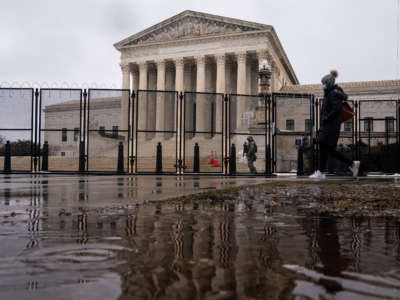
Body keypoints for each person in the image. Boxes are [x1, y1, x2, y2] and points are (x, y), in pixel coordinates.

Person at [310, 70, 360, 179]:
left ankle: (321, 172)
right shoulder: (332, 93)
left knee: (323, 146)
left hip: (330, 126)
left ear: (328, 83)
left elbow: (336, 110)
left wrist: (325, 119)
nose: (322, 86)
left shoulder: (333, 93)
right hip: (331, 126)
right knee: (329, 150)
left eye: (324, 83)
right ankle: (352, 164)